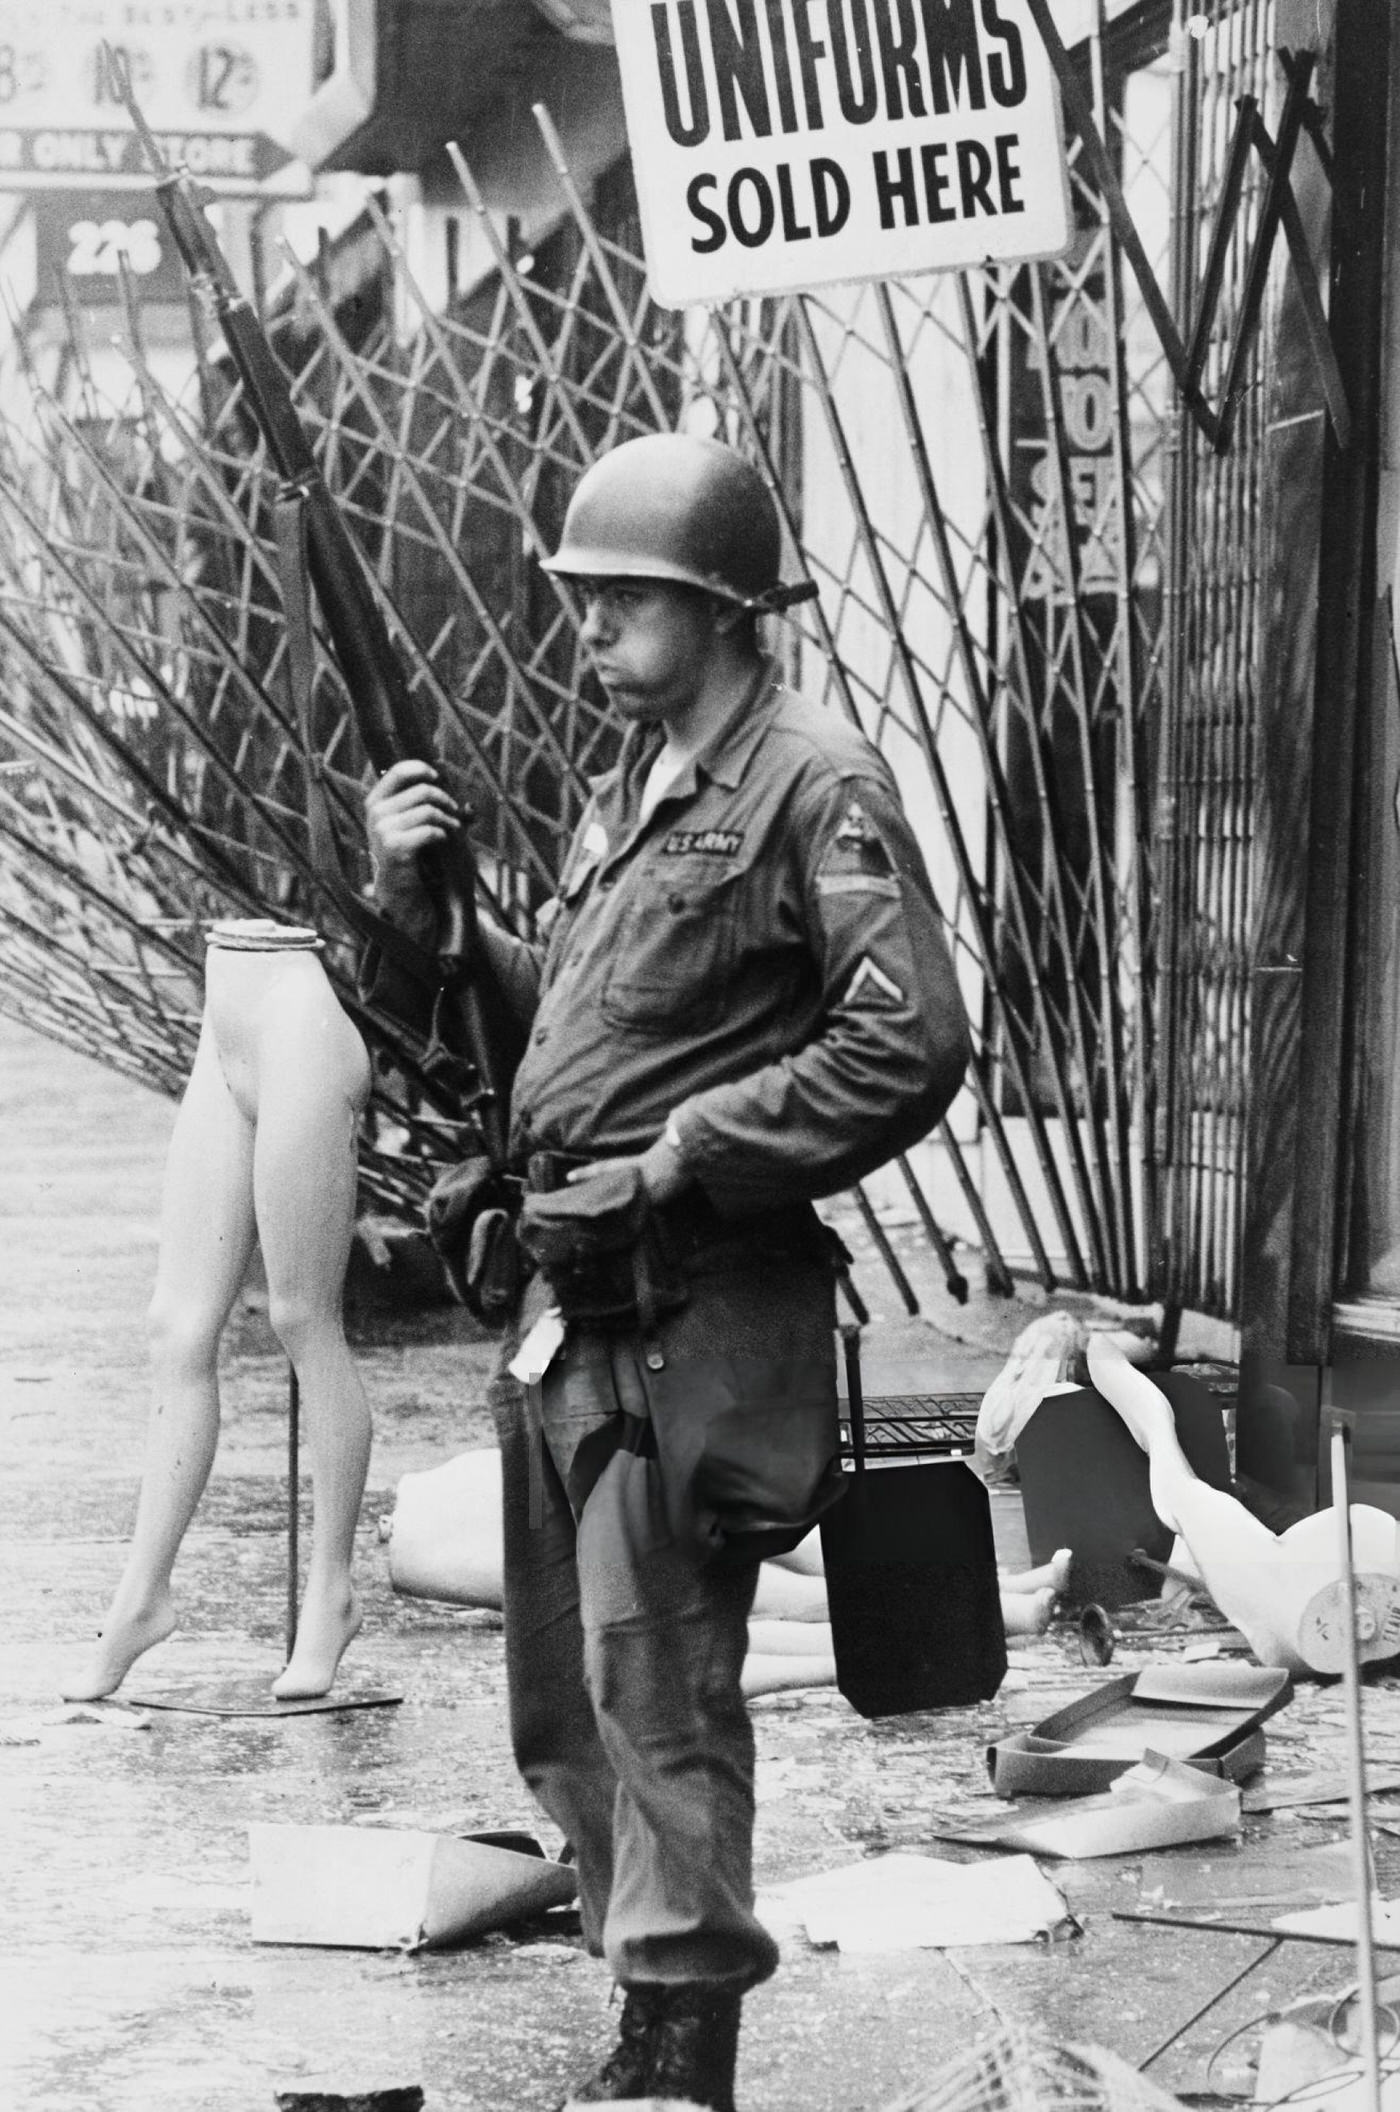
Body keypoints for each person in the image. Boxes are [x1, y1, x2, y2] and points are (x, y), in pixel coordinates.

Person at [365, 432, 970, 2112]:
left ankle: (683, 2050)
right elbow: (565, 1014)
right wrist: (428, 911)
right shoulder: (628, 791)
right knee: (566, 1697)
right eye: (585, 599)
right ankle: (639, 2015)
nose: (591, 630)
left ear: (719, 605)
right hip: (576, 1313)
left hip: (693, 1310)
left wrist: (692, 1151)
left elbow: (908, 1036)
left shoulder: (810, 780)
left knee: (664, 1686)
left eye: (624, 600)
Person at [62, 919, 373, 1705]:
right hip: (229, 1001)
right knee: (178, 1325)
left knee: (303, 1317)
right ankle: (142, 1596)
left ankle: (331, 1592)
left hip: (301, 1012)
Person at [383, 1444, 1072, 1696]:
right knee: (767, 1594)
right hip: (549, 1524)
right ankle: (989, 1600)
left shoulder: (439, 1516)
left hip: (561, 1505)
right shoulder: (433, 1532)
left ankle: (993, 1592)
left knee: (778, 1569)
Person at [1087, 1335, 1400, 1676]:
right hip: (1296, 1566)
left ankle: (1160, 1439)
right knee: (1184, 1491)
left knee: (1185, 1494)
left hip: (1298, 1591)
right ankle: (1159, 1435)